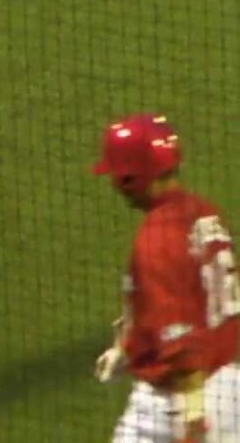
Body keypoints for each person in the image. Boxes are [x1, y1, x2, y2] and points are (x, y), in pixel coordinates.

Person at [91, 114, 240, 442]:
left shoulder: (156, 240)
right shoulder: (204, 212)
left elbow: (182, 344)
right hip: (230, 388)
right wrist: (127, 345)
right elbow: (196, 296)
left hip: (177, 401)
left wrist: (193, 418)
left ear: (130, 177)